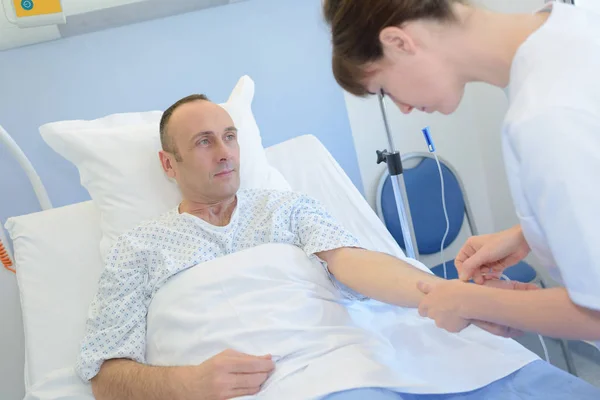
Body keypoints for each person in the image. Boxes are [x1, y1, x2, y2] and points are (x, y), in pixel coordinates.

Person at [77, 95, 599, 400]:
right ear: (169, 165)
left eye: (230, 136)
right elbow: (106, 375)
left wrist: (448, 295)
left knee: (523, 382)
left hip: (346, 352)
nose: (225, 152)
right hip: (288, 382)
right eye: (203, 141)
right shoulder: (135, 249)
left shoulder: (285, 207)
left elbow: (356, 265)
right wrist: (188, 383)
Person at [323, 0, 600, 346]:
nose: (404, 108)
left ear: (398, 42)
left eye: (384, 91)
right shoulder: (581, 22)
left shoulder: (544, 116)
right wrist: (531, 232)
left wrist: (474, 302)